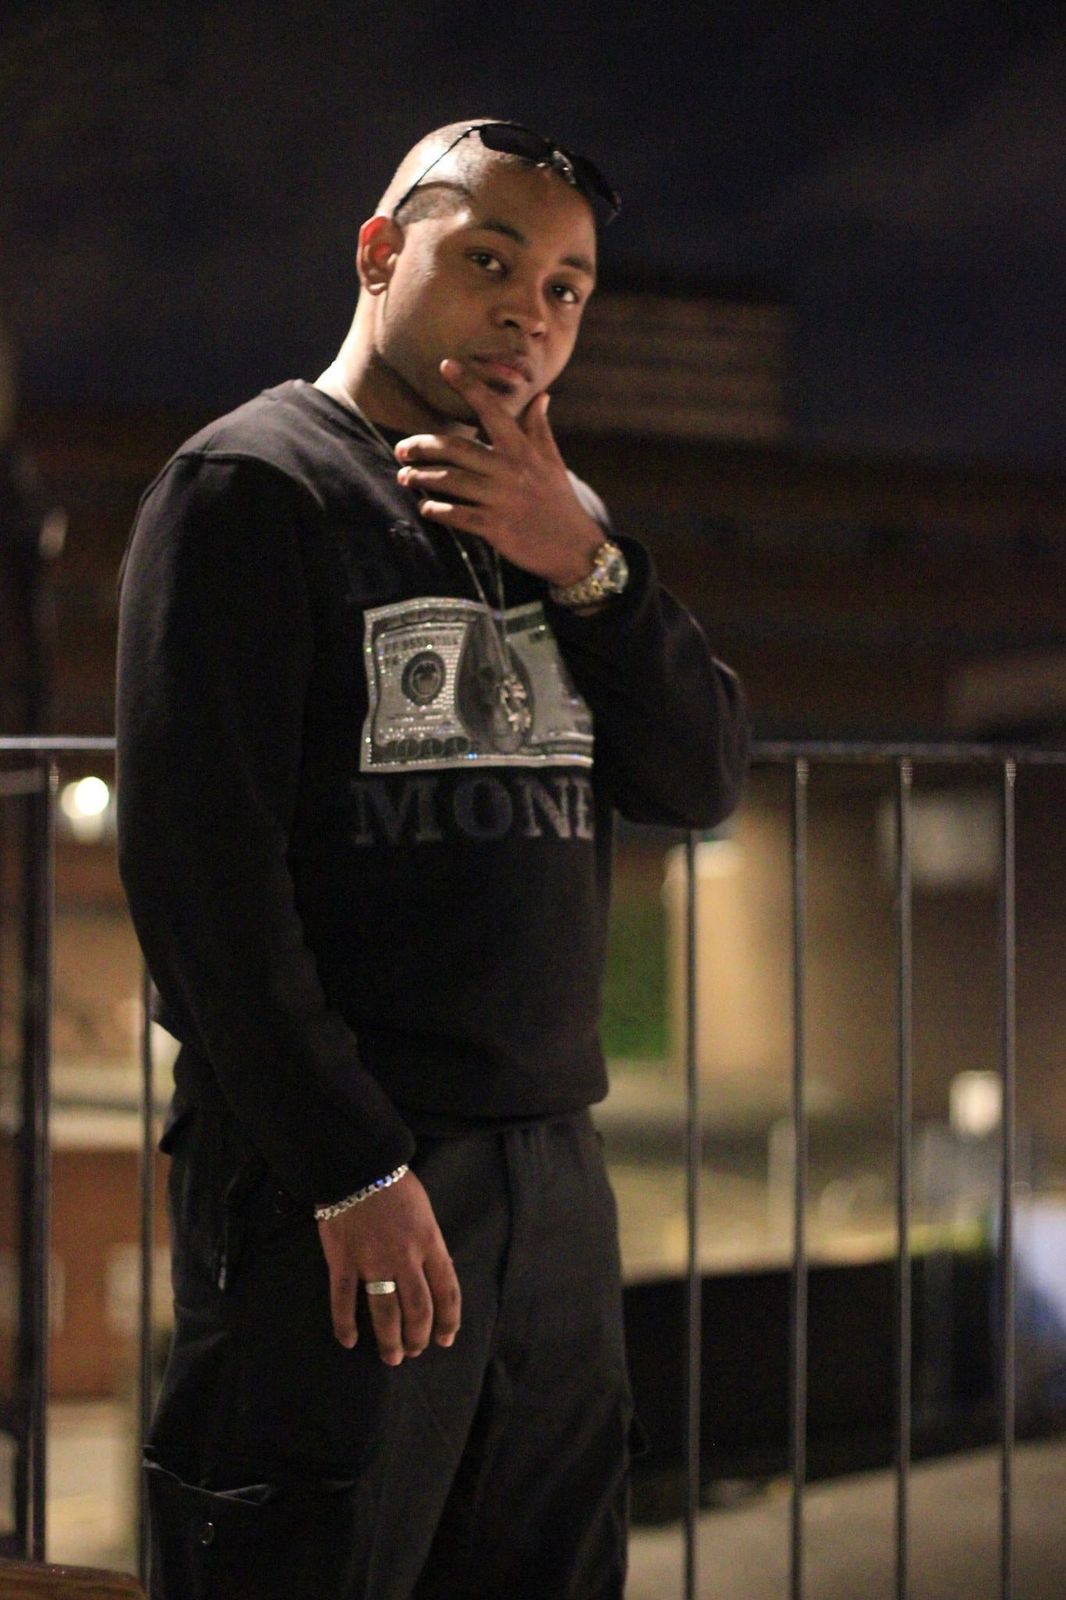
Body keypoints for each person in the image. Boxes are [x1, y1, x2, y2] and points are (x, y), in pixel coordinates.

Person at [116, 119, 749, 1600]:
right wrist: (351, 1167)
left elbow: (698, 773)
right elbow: (202, 884)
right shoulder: (250, 487)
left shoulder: (555, 522)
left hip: (551, 1175)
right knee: (304, 1554)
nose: (532, 311)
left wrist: (583, 562)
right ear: (378, 252)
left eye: (567, 289)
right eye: (490, 262)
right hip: (341, 1173)